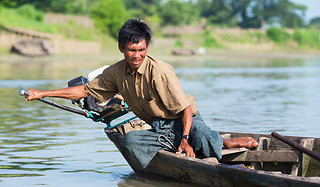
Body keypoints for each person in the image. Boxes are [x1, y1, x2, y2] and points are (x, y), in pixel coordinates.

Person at [26, 19, 258, 168]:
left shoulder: (160, 71)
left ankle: (222, 143)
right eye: (131, 50)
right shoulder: (116, 72)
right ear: (121, 49)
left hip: (185, 122)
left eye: (141, 50)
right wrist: (44, 93)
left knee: (200, 136)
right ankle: (195, 146)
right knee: (131, 140)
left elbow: (186, 109)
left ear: (147, 48)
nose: (137, 55)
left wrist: (185, 139)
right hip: (159, 128)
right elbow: (85, 90)